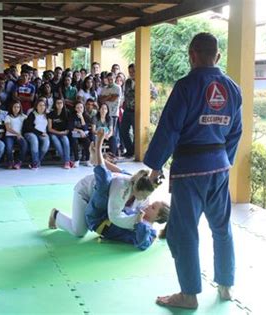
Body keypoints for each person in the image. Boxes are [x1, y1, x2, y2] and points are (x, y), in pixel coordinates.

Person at [143, 33, 242, 309]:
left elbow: (170, 129)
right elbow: (236, 132)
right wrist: (223, 160)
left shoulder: (186, 86)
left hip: (190, 171)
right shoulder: (233, 88)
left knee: (183, 232)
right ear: (218, 56)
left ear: (192, 55)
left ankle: (189, 295)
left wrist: (155, 166)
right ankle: (225, 286)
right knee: (222, 228)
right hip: (219, 167)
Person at [49, 128, 169, 249]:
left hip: (99, 198)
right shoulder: (121, 185)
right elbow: (114, 214)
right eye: (145, 197)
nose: (146, 202)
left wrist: (97, 156)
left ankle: (94, 159)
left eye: (149, 199)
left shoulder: (137, 184)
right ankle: (56, 215)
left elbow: (116, 170)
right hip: (86, 192)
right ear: (137, 190)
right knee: (79, 232)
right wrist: (99, 147)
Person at [22, 99, 50, 169]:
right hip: (30, 133)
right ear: (36, 106)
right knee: (34, 140)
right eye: (40, 105)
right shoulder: (32, 114)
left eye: (43, 105)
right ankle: (35, 163)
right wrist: (40, 133)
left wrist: (44, 133)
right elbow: (29, 127)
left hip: (42, 134)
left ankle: (36, 161)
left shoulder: (47, 115)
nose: (42, 107)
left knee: (46, 143)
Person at [47, 98, 72, 169]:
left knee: (66, 141)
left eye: (61, 103)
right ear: (55, 104)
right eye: (57, 103)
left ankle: (66, 162)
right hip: (54, 133)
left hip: (63, 133)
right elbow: (49, 128)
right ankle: (67, 161)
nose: (59, 104)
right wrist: (59, 132)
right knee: (56, 141)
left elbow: (69, 126)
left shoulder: (67, 112)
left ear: (63, 104)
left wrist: (65, 132)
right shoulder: (51, 114)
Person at [4, 101, 28, 170]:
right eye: (14, 107)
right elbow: (8, 128)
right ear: (11, 107)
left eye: (18, 107)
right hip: (9, 136)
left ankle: (19, 162)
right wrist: (17, 133)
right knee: (9, 148)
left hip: (19, 136)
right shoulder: (8, 117)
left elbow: (30, 120)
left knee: (25, 145)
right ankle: (10, 162)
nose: (16, 109)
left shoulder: (23, 116)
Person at [69, 102, 91, 167]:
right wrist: (80, 130)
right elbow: (70, 127)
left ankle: (88, 160)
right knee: (74, 142)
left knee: (87, 142)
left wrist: (81, 118)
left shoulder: (86, 116)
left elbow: (86, 128)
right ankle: (76, 160)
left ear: (84, 108)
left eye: (81, 107)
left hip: (83, 135)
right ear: (75, 109)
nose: (79, 109)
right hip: (74, 135)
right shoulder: (72, 116)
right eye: (78, 107)